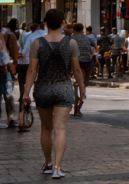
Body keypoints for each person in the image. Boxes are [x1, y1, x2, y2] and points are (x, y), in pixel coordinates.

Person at [22, 9, 84, 179]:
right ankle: (58, 167)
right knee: (61, 128)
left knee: (45, 127)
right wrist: (82, 89)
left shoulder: (37, 43)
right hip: (64, 87)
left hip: (43, 88)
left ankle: (48, 163)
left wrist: (26, 93)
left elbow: (32, 70)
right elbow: (77, 69)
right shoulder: (71, 43)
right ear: (63, 23)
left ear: (46, 24)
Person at [17, 21, 46, 129]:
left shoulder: (29, 37)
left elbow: (24, 52)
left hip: (26, 65)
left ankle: (22, 120)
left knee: (23, 91)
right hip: (43, 69)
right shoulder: (48, 36)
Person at [70, 24, 94, 116]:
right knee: (84, 84)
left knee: (76, 84)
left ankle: (77, 101)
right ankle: (81, 101)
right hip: (88, 61)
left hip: (77, 62)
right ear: (82, 29)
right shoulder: (88, 38)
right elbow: (93, 45)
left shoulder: (72, 39)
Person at [2, 19, 20, 128]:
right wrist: (14, 67)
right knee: (7, 94)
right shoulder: (10, 35)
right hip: (5, 68)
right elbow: (15, 54)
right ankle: (10, 119)